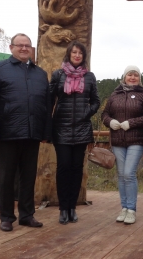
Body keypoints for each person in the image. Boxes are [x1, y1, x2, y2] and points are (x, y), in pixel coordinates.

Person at [0, 33, 51, 232]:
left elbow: (46, 105)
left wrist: (45, 131)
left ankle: (26, 215)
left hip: (32, 133)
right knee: (6, 177)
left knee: (29, 176)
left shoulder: (40, 74)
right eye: (20, 45)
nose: (24, 48)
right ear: (11, 47)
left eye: (27, 46)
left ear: (31, 49)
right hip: (8, 133)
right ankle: (6, 216)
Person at [49, 41, 100, 225]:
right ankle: (63, 209)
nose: (77, 55)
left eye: (80, 53)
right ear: (69, 54)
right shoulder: (58, 74)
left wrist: (86, 113)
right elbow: (50, 99)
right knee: (63, 168)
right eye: (74, 52)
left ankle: (72, 207)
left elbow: (96, 101)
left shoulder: (90, 77)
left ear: (83, 56)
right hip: (61, 128)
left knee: (77, 169)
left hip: (81, 129)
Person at [101, 65, 143, 225]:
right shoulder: (114, 95)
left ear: (139, 78)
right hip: (118, 140)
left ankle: (132, 209)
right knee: (121, 174)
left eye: (136, 75)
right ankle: (124, 208)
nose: (133, 77)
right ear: (124, 77)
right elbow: (104, 114)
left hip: (137, 139)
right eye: (130, 75)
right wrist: (110, 121)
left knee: (129, 173)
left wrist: (131, 123)